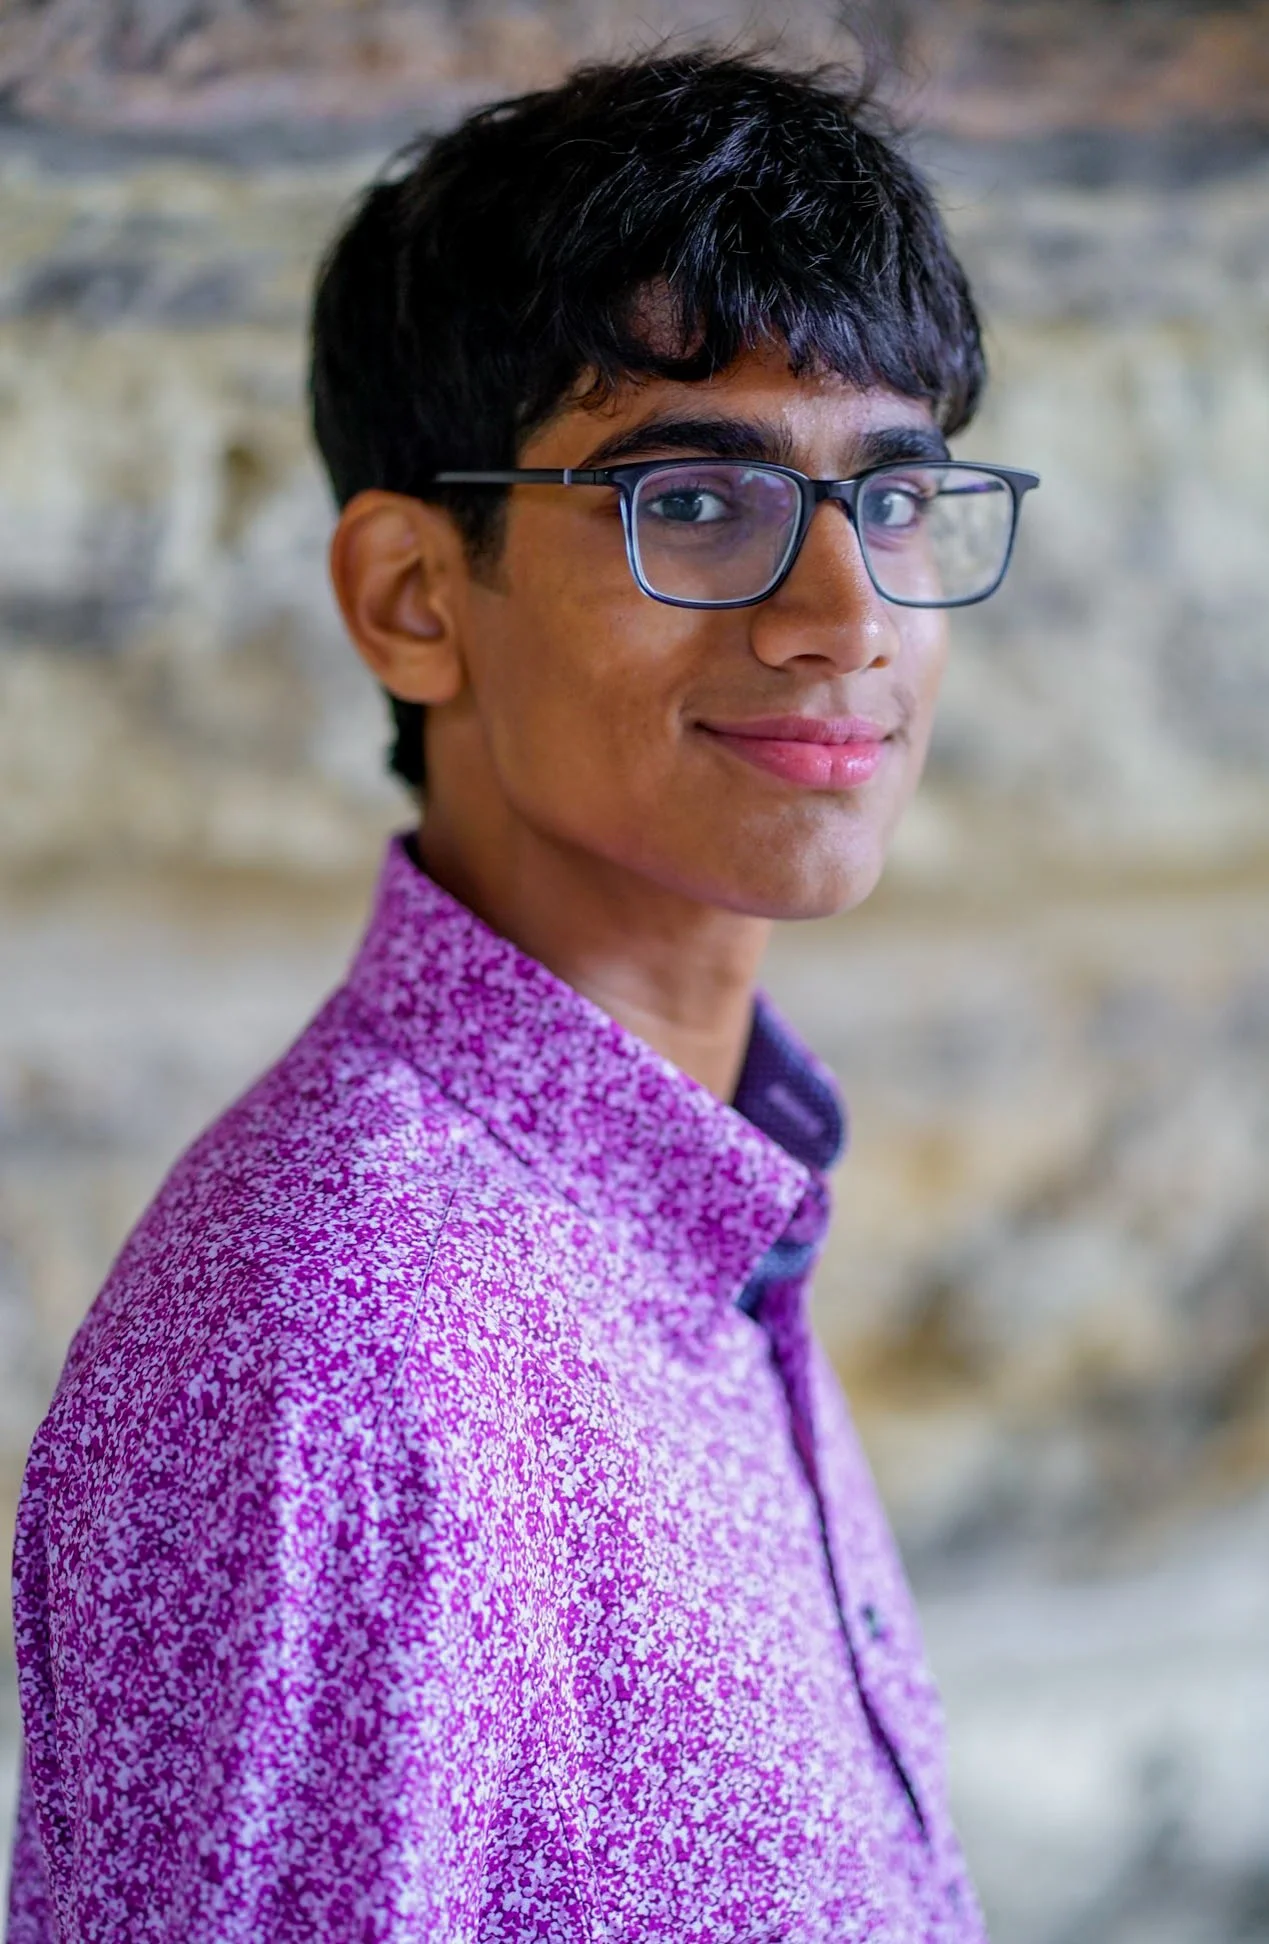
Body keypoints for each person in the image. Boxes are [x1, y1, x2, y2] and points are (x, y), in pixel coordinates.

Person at [7, 49, 1038, 1942]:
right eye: (700, 499)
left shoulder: (695, 1205)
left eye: (893, 502)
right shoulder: (334, 1346)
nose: (848, 615)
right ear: (414, 595)